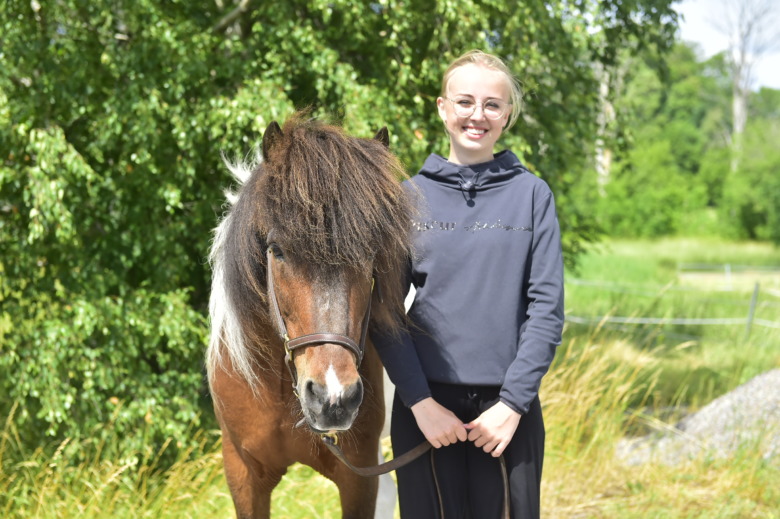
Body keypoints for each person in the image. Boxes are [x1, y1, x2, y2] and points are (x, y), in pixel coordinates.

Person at [372, 49, 564, 519]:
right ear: (442, 108)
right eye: (465, 102)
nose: (477, 115)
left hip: (506, 418)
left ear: (507, 115)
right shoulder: (405, 198)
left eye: (492, 104)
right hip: (427, 413)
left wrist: (513, 405)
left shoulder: (532, 196)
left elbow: (547, 311)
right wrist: (420, 403)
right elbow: (384, 313)